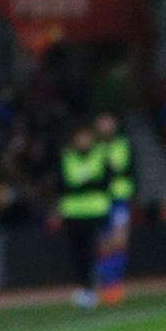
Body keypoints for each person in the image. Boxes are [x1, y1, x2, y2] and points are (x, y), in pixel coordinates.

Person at [58, 122, 110, 309]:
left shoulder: (99, 155)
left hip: (95, 212)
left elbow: (104, 182)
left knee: (93, 250)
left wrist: (80, 185)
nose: (83, 141)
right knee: (77, 253)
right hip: (73, 213)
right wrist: (87, 183)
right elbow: (64, 185)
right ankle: (85, 288)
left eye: (86, 137)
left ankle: (95, 285)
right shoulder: (67, 157)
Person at [95, 112, 134, 307]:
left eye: (108, 121)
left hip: (119, 199)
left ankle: (115, 285)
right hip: (100, 202)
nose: (105, 125)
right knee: (104, 243)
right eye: (102, 121)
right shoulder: (94, 147)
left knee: (119, 241)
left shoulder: (123, 144)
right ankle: (105, 284)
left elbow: (126, 170)